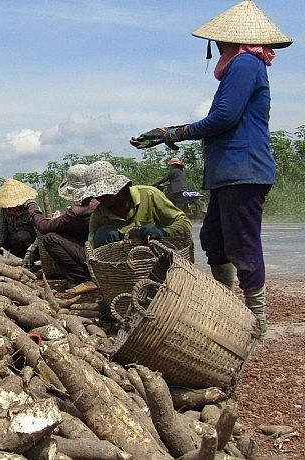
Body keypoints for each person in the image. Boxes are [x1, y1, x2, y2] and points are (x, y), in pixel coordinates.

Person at [129, 0, 293, 334]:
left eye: (219, 41)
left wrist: (174, 132)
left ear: (228, 40)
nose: (216, 46)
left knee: (241, 244)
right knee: (214, 239)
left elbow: (225, 117)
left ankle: (256, 321)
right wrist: (172, 133)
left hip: (243, 170)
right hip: (229, 173)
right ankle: (229, 306)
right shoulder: (242, 65)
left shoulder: (246, 63)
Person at [23, 164, 100, 294]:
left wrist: (33, 208)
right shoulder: (99, 201)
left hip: (93, 255)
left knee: (50, 238)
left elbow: (44, 227)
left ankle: (80, 278)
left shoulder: (78, 211)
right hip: (102, 250)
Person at [82, 160, 192, 249]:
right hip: (122, 265)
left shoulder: (149, 195)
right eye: (97, 194)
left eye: (105, 193)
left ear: (118, 187)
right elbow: (92, 252)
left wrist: (163, 232)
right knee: (104, 233)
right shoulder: (99, 215)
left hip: (158, 254)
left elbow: (184, 222)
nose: (100, 197)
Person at [0, 179, 37, 259]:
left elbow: (40, 234)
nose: (11, 208)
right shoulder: (6, 208)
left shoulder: (31, 207)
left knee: (19, 237)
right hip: (12, 240)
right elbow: (2, 229)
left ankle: (27, 261)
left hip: (29, 245)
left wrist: (31, 251)